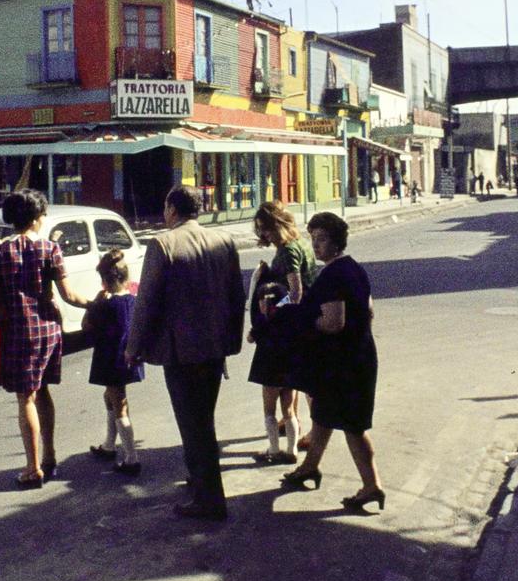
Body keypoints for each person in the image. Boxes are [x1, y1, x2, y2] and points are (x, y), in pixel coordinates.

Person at [126, 185, 246, 522]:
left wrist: (133, 347)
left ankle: (210, 498)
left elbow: (146, 301)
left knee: (194, 424)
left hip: (181, 351)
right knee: (202, 418)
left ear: (171, 209)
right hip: (214, 348)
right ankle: (199, 478)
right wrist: (231, 341)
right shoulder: (223, 241)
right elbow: (237, 296)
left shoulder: (163, 244)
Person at [281, 212, 385, 514]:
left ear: (337, 240)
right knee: (324, 417)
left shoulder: (333, 275)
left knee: (353, 426)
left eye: (322, 238)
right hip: (358, 355)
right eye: (312, 237)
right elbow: (368, 311)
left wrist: (304, 321)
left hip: (344, 363)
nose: (315, 244)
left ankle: (372, 486)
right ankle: (309, 468)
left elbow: (333, 322)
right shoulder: (353, 268)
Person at [0, 191, 89, 489]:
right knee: (42, 392)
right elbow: (69, 295)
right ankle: (50, 456)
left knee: (24, 397)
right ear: (34, 218)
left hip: (19, 330)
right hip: (49, 330)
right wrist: (95, 304)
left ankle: (32, 469)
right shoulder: (51, 249)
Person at [247, 200, 319, 465]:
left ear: (275, 226)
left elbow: (296, 292)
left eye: (264, 230)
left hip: (289, 328)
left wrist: (271, 310)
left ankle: (309, 433)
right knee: (295, 384)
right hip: (303, 323)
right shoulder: (299, 244)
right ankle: (297, 429)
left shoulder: (288, 251)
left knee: (298, 384)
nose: (263, 236)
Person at [83, 249, 144, 477]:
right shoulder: (133, 301)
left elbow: (86, 325)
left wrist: (95, 303)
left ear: (104, 282)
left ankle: (131, 458)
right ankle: (109, 445)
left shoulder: (105, 305)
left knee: (120, 404)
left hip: (111, 359)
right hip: (127, 356)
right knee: (110, 397)